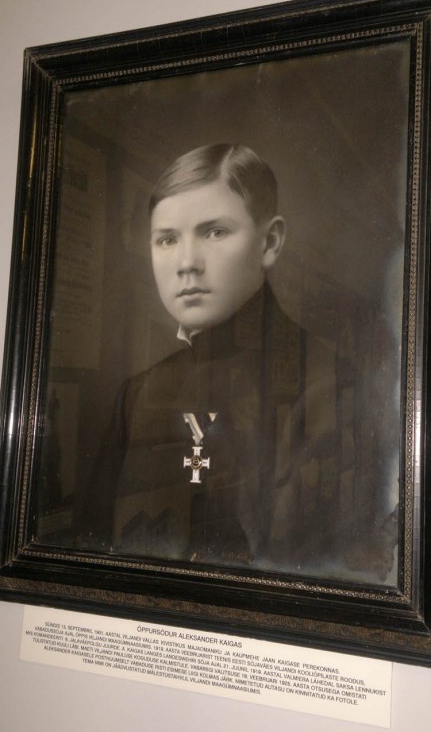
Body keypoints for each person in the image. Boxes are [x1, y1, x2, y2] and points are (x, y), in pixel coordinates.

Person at [78, 143, 396, 580]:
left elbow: (337, 573)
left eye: (214, 232)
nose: (186, 264)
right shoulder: (136, 395)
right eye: (167, 239)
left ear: (270, 242)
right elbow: (90, 554)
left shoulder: (333, 384)